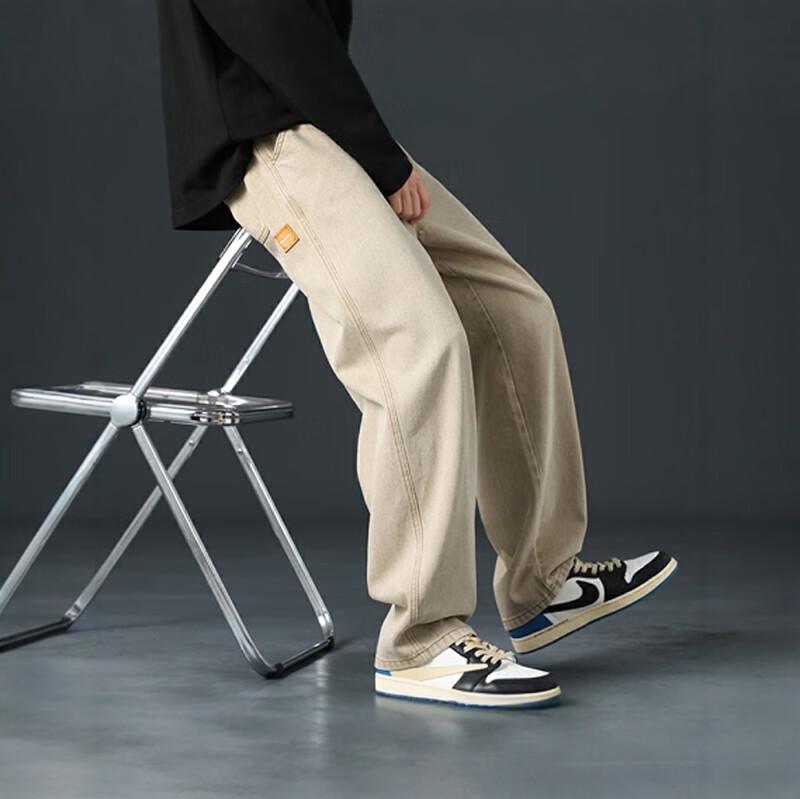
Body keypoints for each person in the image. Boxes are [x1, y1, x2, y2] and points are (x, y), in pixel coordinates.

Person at [155, 0, 677, 709]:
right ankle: (419, 641)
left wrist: (364, 145)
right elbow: (271, 23)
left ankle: (543, 584)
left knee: (515, 313)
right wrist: (378, 154)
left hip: (321, 128)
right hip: (269, 140)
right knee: (420, 345)